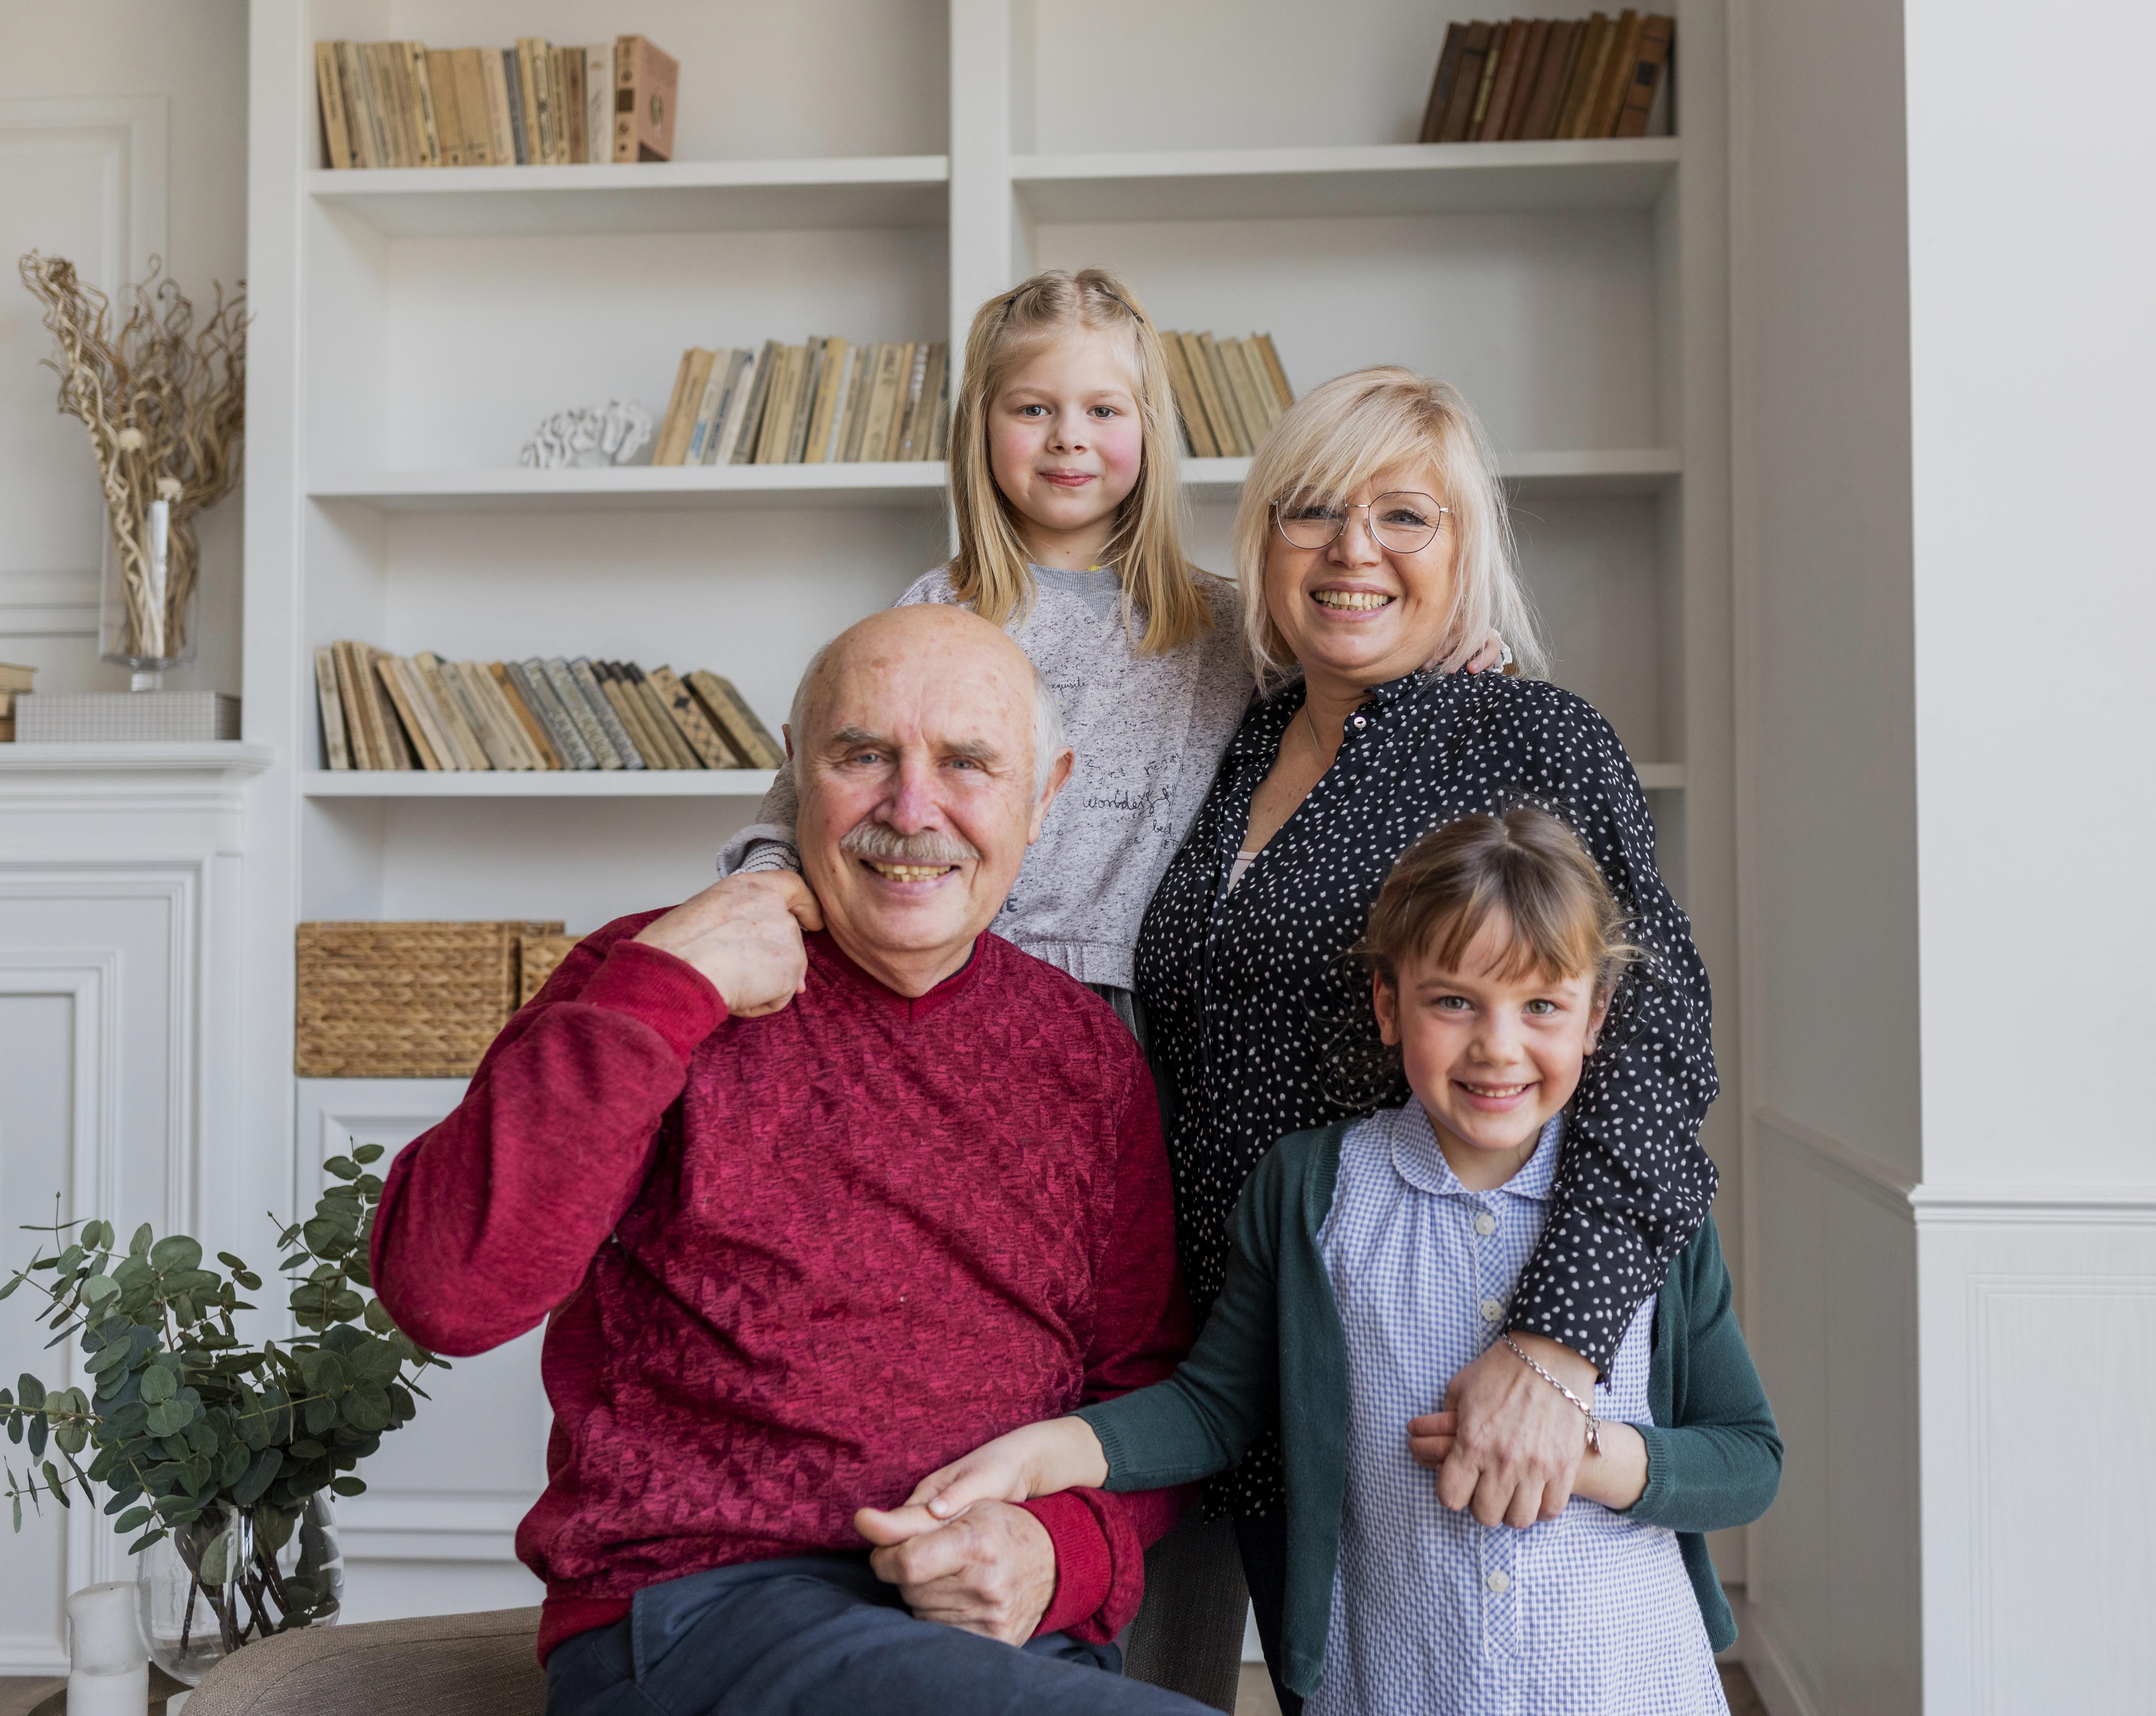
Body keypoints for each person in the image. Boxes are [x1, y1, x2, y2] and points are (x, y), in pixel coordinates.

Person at [369, 605, 1213, 1716]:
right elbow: (446, 1293)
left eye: (967, 763)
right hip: (699, 1615)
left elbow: (1140, 1388)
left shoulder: (1087, 1054)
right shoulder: (655, 977)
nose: (914, 810)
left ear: (1044, 796)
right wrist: (667, 988)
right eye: (865, 756)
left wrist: (1065, 1550)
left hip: (996, 1642)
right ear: (797, 771)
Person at [876, 810, 1781, 1714]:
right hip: (1394, 1682)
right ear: (1390, 1005)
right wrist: (1042, 1454)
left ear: (1596, 1016)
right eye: (1454, 1000)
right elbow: (1213, 1406)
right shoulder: (1311, 1188)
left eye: (1542, 1004)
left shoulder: (1642, 1215)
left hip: (1632, 1679)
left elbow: (1748, 1455)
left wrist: (1589, 1458)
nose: (1498, 1045)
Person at [1132, 369, 1722, 1709]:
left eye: (1404, 515)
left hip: (1429, 1346)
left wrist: (1549, 1346)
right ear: (1261, 541)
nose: (1352, 549)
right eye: (1310, 510)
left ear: (1463, 550)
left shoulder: (1525, 734)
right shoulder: (1235, 741)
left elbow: (1654, 1041)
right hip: (1236, 1351)